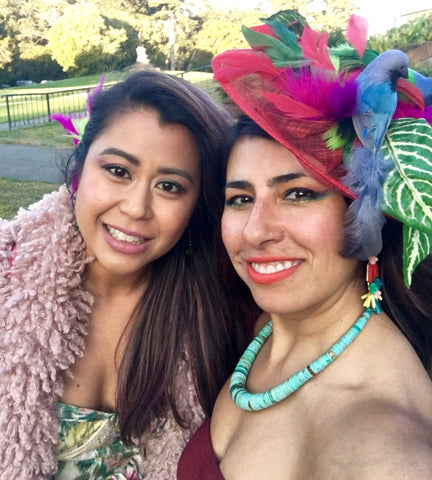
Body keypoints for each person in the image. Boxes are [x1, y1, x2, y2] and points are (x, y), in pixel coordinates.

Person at [178, 11, 432, 479]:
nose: (255, 231)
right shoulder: (262, 324)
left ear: (368, 214)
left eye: (298, 193)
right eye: (240, 198)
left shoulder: (384, 445)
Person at [0, 70, 254, 479]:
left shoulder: (224, 312)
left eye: (170, 186)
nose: (137, 208)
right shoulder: (5, 275)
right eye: (118, 171)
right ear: (80, 168)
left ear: (196, 206)